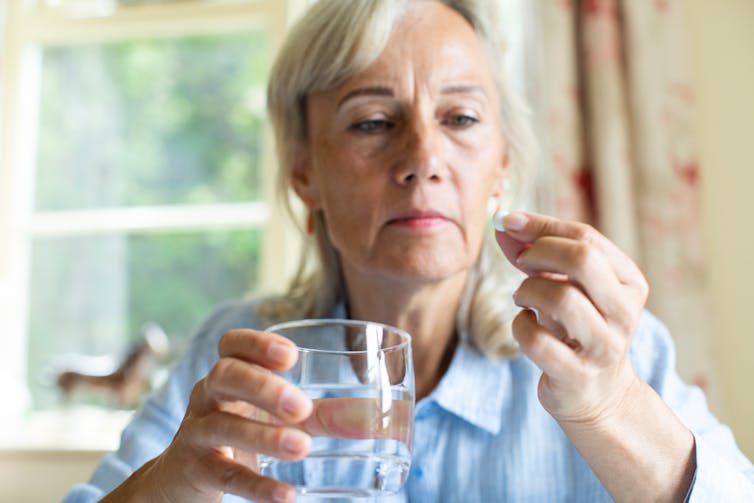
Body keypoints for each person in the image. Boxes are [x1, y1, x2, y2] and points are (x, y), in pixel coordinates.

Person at [62, 1, 754, 502]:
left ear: (503, 163)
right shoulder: (234, 357)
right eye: (371, 121)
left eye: (461, 118)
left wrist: (609, 407)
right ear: (304, 169)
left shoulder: (600, 353)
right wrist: (175, 483)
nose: (424, 158)